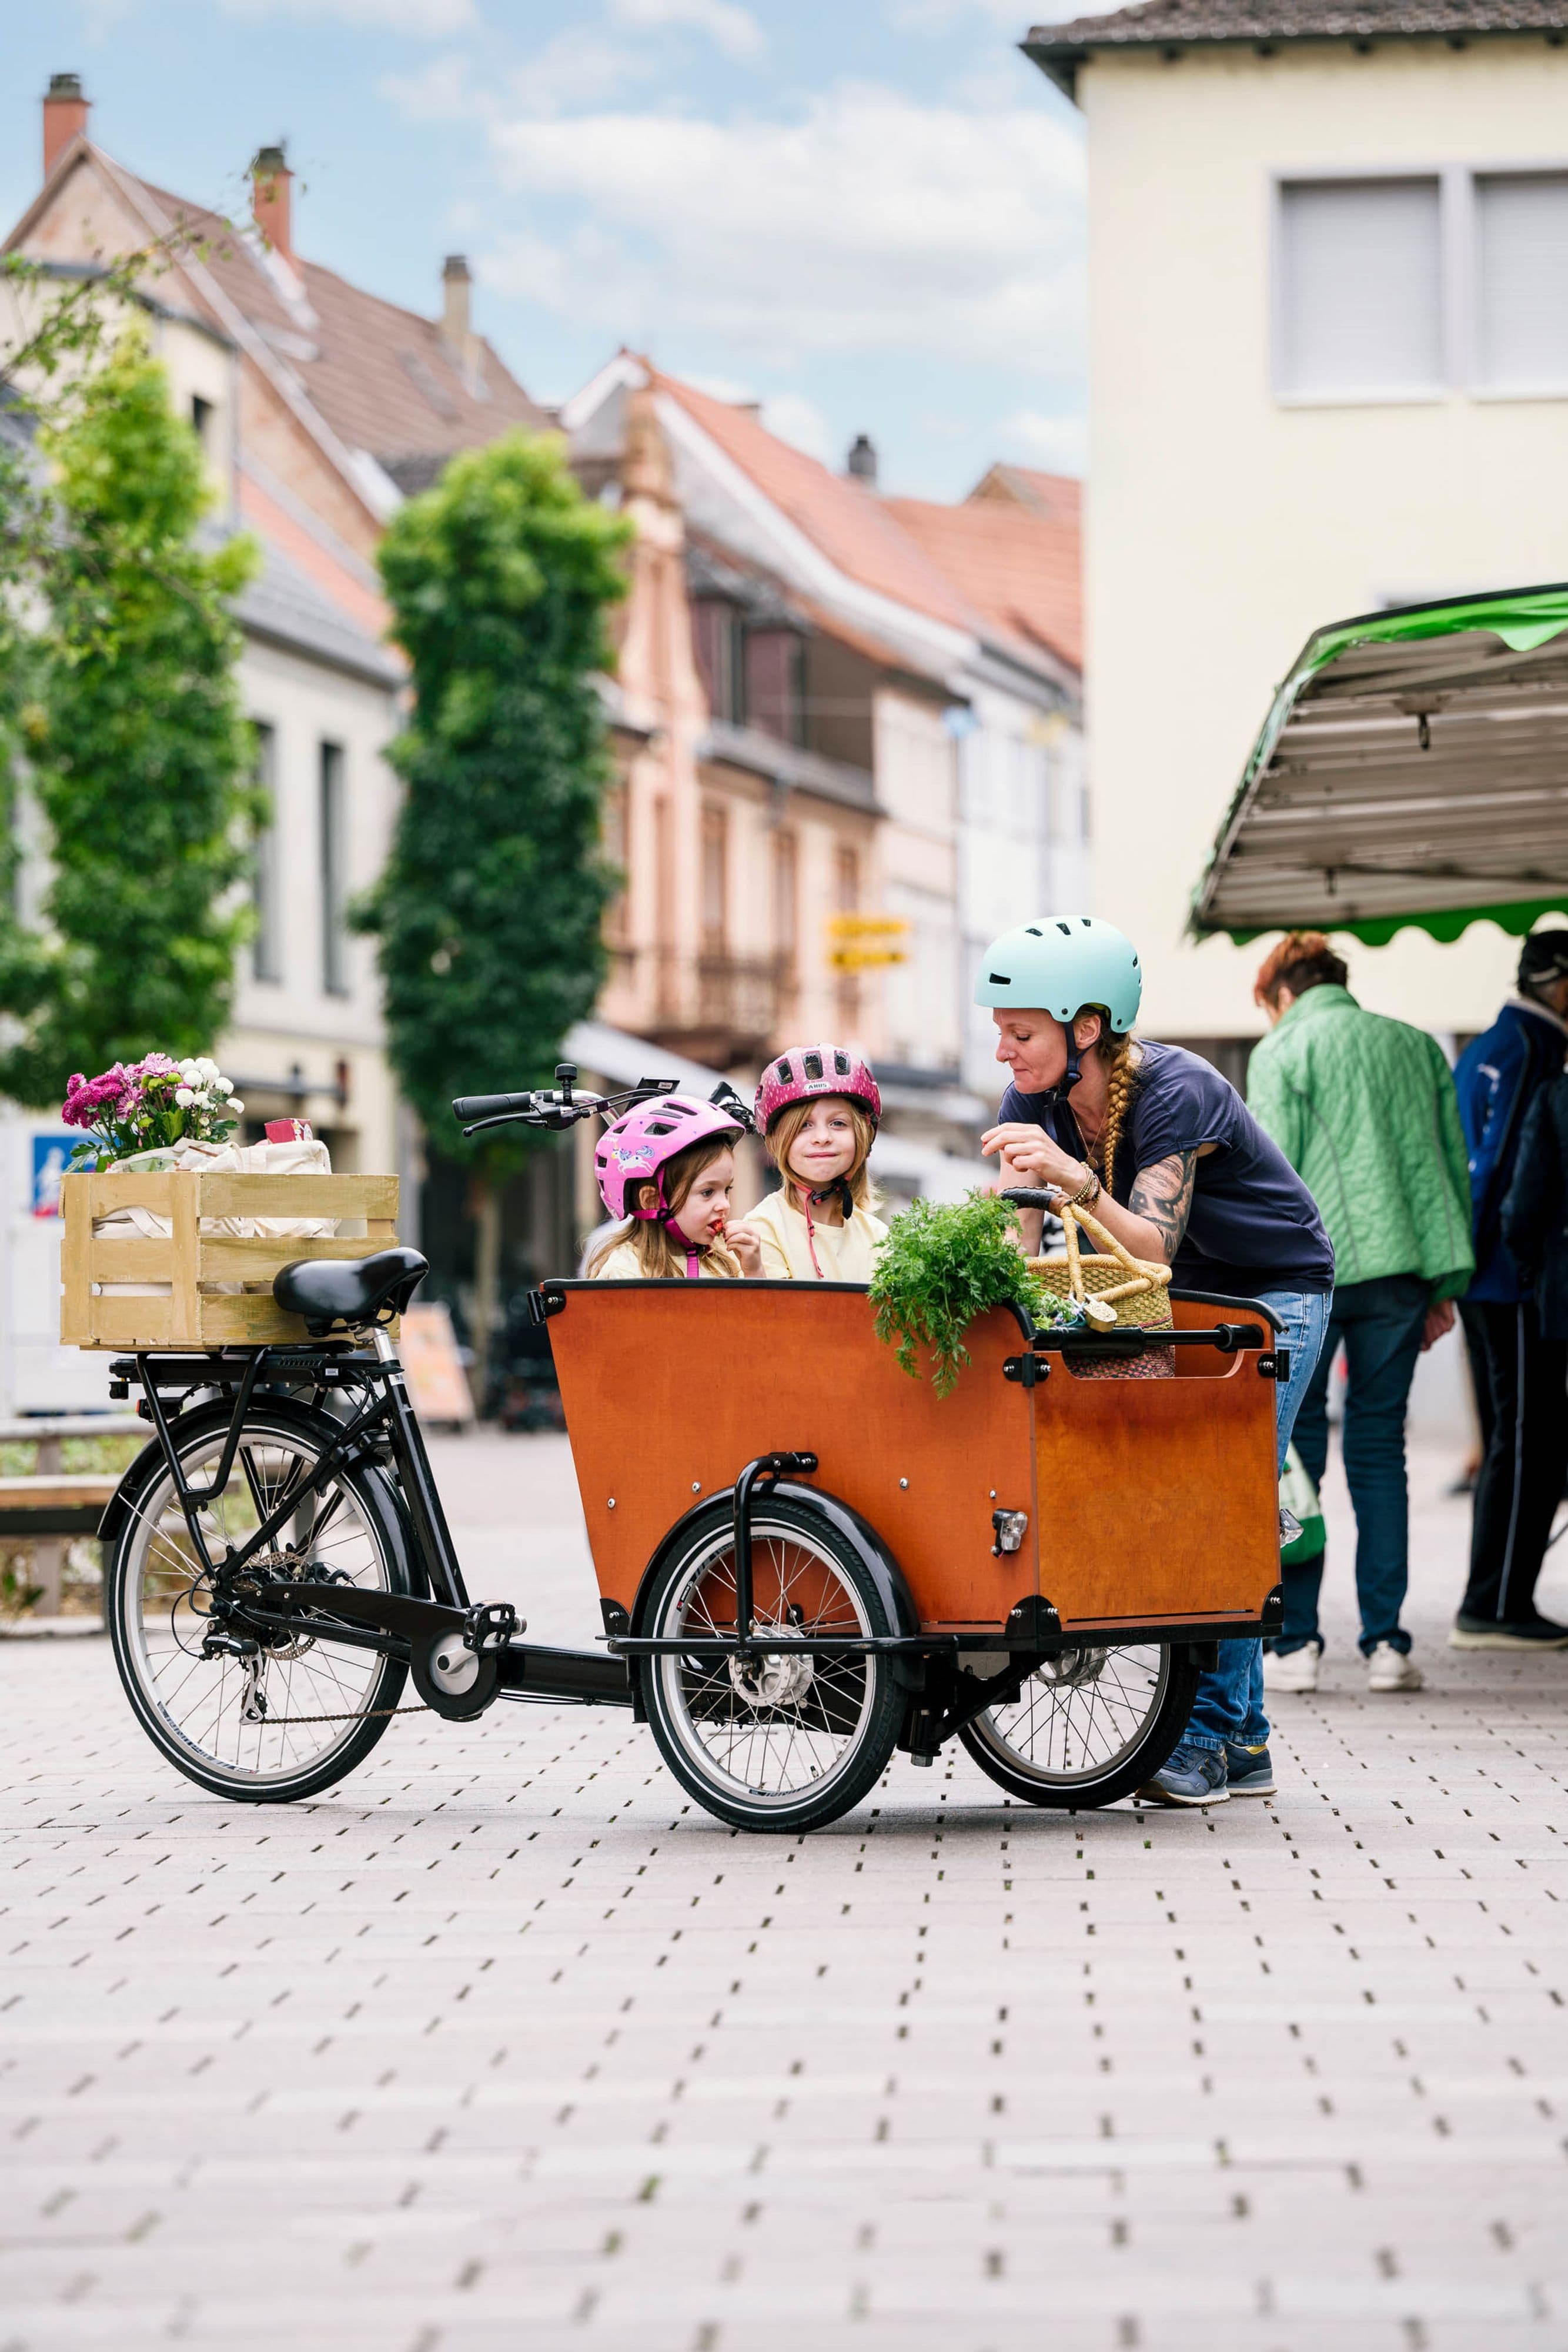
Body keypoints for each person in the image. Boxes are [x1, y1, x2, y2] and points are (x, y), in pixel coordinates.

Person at [977, 914, 1334, 1808]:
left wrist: (1072, 1178)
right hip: (1175, 1304)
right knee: (1200, 1497)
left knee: (1217, 1498)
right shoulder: (1036, 1097)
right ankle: (1243, 1740)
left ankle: (1208, 1740)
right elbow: (1017, 1241)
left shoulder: (1176, 1088)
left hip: (1270, 1292)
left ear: (1084, 1028)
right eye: (998, 1034)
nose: (1003, 1054)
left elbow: (1152, 1250)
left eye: (1019, 1034)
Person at [1246, 933, 1473, 1696]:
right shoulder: (1413, 1049)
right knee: (1379, 1451)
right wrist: (1443, 1280)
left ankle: (1298, 1646)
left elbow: (1265, 1173)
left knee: (1295, 1450)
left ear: (1281, 994)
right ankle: (1385, 1646)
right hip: (1402, 1274)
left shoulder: (1281, 1051)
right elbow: (1444, 1162)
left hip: (1308, 1275)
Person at [1450, 933, 1568, 1649]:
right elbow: (1503, 1169)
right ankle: (1496, 1605)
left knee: (1509, 1438)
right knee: (1529, 1441)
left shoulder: (1489, 1043)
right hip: (1509, 1274)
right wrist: (1520, 1262)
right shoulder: (1532, 1049)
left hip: (1480, 1270)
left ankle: (1492, 1599)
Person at [749, 1045, 890, 1281]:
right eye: (804, 1125)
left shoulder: (878, 1236)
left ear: (863, 1135)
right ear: (776, 1140)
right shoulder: (762, 1229)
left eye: (838, 1124)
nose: (822, 1137)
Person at [586, 1095, 763, 1280]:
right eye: (708, 1192)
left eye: (726, 1190)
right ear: (651, 1200)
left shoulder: (726, 1261)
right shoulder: (626, 1271)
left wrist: (754, 1272)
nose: (724, 1205)